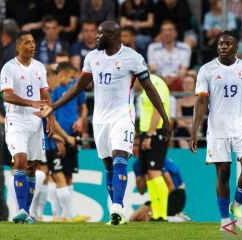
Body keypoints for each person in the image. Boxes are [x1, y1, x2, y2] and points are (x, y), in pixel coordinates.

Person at [34, 20, 171, 225]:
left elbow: (150, 89)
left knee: (119, 159)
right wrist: (53, 106)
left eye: (100, 34)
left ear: (114, 36)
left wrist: (166, 120)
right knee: (108, 165)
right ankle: (118, 213)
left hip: (122, 118)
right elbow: (78, 87)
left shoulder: (132, 58)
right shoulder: (92, 57)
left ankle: (117, 208)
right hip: (100, 121)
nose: (96, 37)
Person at [190, 31, 242, 230]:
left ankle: (237, 206)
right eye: (220, 44)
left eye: (227, 44)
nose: (223, 47)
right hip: (218, 130)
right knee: (223, 174)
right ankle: (225, 220)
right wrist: (194, 131)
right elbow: (201, 102)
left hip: (241, 127)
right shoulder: (206, 70)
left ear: (236, 48)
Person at [0, 32, 55, 224]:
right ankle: (21, 209)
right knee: (20, 161)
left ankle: (26, 212)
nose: (31, 46)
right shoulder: (9, 68)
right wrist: (31, 103)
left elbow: (45, 95)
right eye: (27, 43)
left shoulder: (39, 67)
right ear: (18, 46)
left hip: (36, 122)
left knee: (33, 167)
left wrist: (50, 117)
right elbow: (6, 96)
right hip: (16, 121)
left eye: (33, 42)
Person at [50, 61, 89, 221]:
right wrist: (56, 136)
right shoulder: (55, 91)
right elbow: (51, 113)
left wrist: (81, 120)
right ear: (63, 74)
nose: (73, 79)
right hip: (59, 136)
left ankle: (66, 214)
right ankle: (58, 214)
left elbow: (84, 108)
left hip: (73, 134)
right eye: (71, 76)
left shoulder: (76, 88)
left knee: (69, 174)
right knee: (56, 174)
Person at [135, 73, 170, 221]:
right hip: (147, 132)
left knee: (155, 173)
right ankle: (156, 214)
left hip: (156, 132)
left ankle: (162, 214)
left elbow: (158, 108)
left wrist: (149, 134)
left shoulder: (155, 82)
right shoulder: (147, 85)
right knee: (149, 174)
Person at [147, 20, 192, 91]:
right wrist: (163, 78)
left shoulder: (185, 48)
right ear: (160, 33)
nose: (166, 33)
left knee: (189, 77)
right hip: (159, 79)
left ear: (175, 33)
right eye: (163, 30)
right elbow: (153, 68)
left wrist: (173, 79)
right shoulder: (152, 48)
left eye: (169, 30)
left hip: (178, 80)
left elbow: (183, 69)